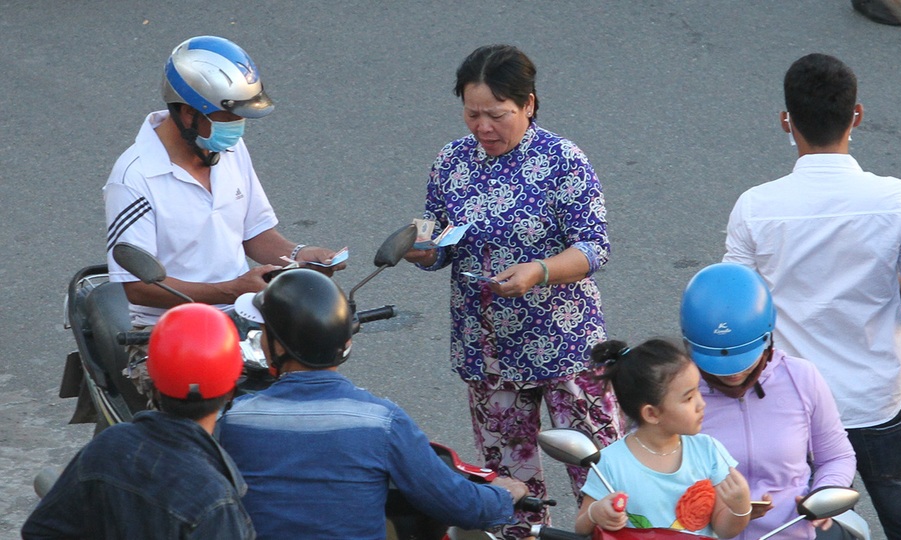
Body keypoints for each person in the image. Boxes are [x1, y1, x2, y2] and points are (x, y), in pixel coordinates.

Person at [403, 44, 621, 539]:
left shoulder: (563, 160)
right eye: (472, 113)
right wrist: (424, 247)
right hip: (488, 355)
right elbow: (437, 229)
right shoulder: (452, 161)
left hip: (564, 348)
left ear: (529, 104)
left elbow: (595, 246)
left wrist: (538, 271)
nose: (482, 127)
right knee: (510, 489)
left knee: (602, 476)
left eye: (497, 115)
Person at [724, 53, 901, 540]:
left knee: (793, 532)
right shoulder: (898, 199)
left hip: (790, 404)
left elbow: (735, 311)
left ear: (786, 120)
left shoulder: (755, 208)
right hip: (879, 402)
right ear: (857, 115)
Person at [103, 35, 343, 410]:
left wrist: (299, 256)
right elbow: (137, 287)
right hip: (168, 336)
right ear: (187, 113)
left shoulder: (226, 148)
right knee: (204, 435)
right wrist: (228, 290)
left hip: (243, 321)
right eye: (227, 116)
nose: (237, 127)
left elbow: (256, 234)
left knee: (311, 392)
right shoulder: (133, 178)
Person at [217, 269, 529, 539]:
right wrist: (504, 495)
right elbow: (461, 505)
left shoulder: (235, 420)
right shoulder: (382, 422)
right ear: (345, 342)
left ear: (276, 346)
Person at [22, 303, 254, 539]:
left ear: (151, 379)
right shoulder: (214, 498)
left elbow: (40, 531)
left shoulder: (109, 444)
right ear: (232, 389)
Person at [681, 262, 857, 540]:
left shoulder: (802, 378)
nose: (735, 374)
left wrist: (823, 494)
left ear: (768, 339)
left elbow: (837, 456)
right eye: (717, 364)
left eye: (745, 359)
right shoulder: (676, 390)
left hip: (792, 533)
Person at [577, 339, 751, 538]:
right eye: (688, 398)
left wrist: (740, 508)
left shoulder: (708, 450)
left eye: (698, 392)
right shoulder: (610, 463)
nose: (701, 404)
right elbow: (581, 528)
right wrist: (595, 513)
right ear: (651, 414)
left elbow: (723, 529)